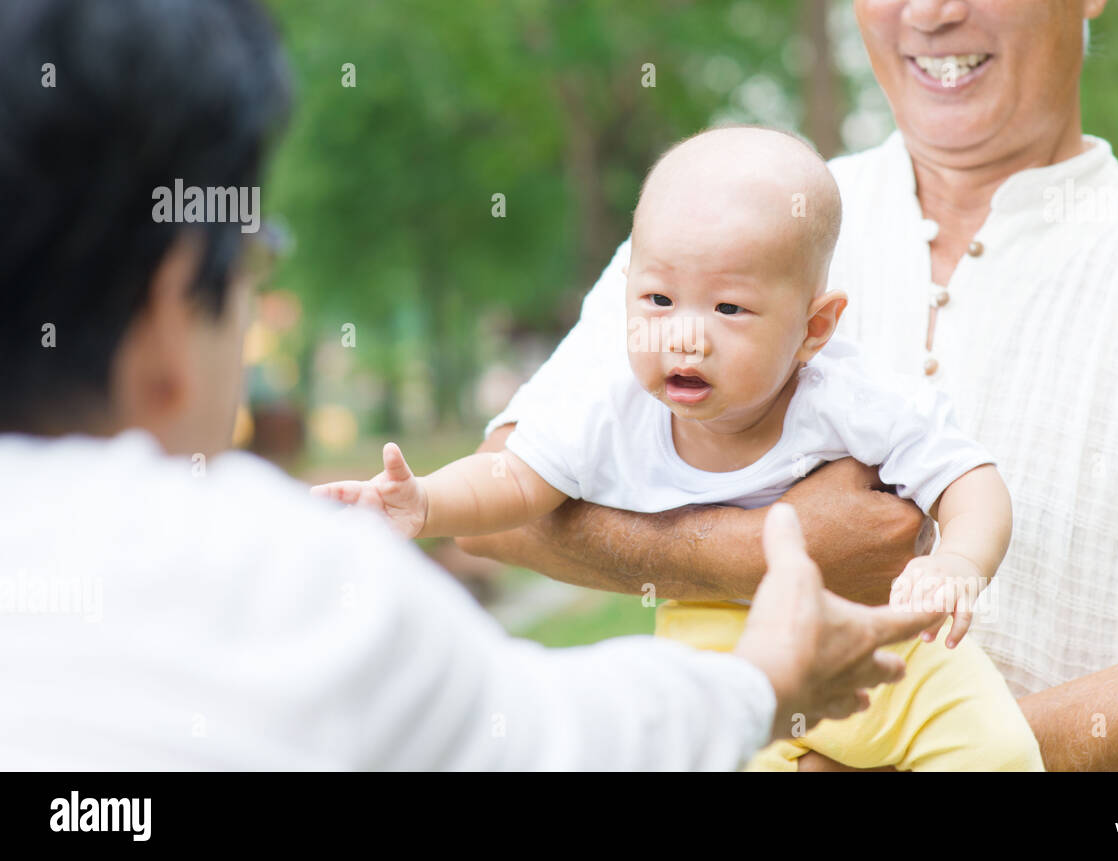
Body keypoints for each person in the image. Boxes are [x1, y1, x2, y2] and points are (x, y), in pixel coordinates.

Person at [0, 0, 943, 771]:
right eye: (252, 254)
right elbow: (543, 735)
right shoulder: (272, 583)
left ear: (816, 328)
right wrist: (768, 677)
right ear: (173, 307)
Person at [460, 0, 1118, 770]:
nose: (929, 5)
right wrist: (758, 550)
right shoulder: (729, 220)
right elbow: (498, 513)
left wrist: (941, 758)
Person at [314, 125, 1041, 770]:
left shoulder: (846, 395)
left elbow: (969, 478)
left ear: (814, 328)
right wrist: (425, 501)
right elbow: (514, 479)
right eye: (659, 301)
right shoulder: (611, 409)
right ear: (627, 292)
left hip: (888, 646)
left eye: (729, 308)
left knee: (999, 752)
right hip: (721, 648)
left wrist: (956, 560)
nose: (685, 335)